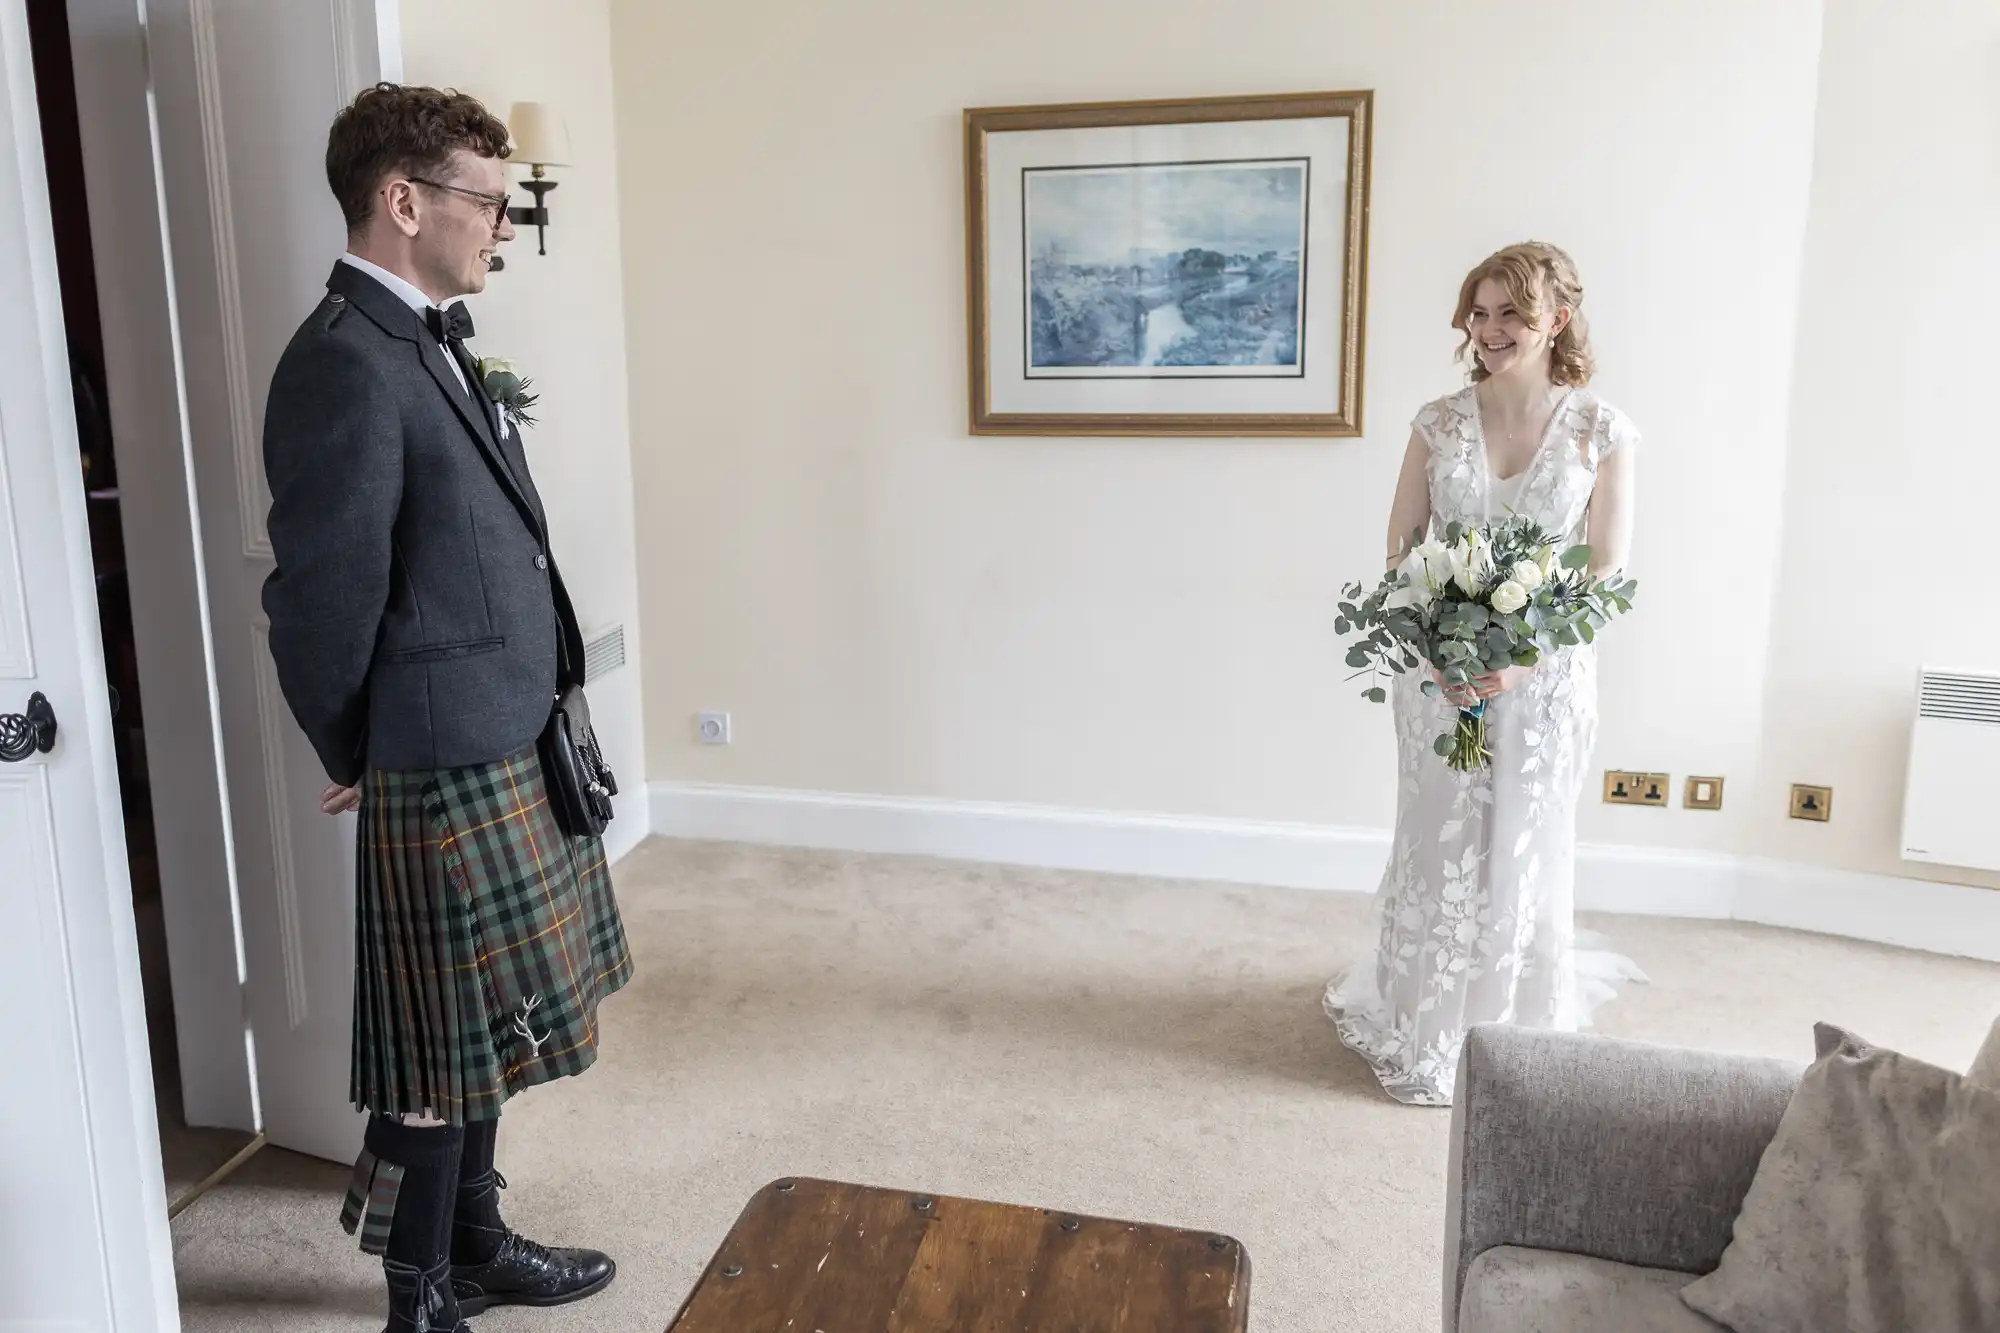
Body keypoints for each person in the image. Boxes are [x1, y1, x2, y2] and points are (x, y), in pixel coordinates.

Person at [260, 83, 632, 1330]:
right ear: (402, 200)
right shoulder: (343, 362)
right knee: (435, 1055)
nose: (504, 223)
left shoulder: (426, 334)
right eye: (485, 198)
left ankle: (473, 1240)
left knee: (487, 1031)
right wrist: (364, 744)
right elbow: (318, 596)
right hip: (438, 751)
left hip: (504, 725)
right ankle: (417, 1296)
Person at [1324, 241, 1645, 1107]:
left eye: (1513, 312)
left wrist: (1521, 655)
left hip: (1544, 679)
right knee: (1438, 839)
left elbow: (1604, 565)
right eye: (1480, 311)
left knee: (1521, 847)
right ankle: (1419, 1015)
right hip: (1441, 670)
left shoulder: (1599, 430)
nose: (1493, 329)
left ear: (1558, 320)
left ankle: (1509, 1030)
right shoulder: (1439, 421)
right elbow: (1402, 547)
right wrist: (1437, 642)